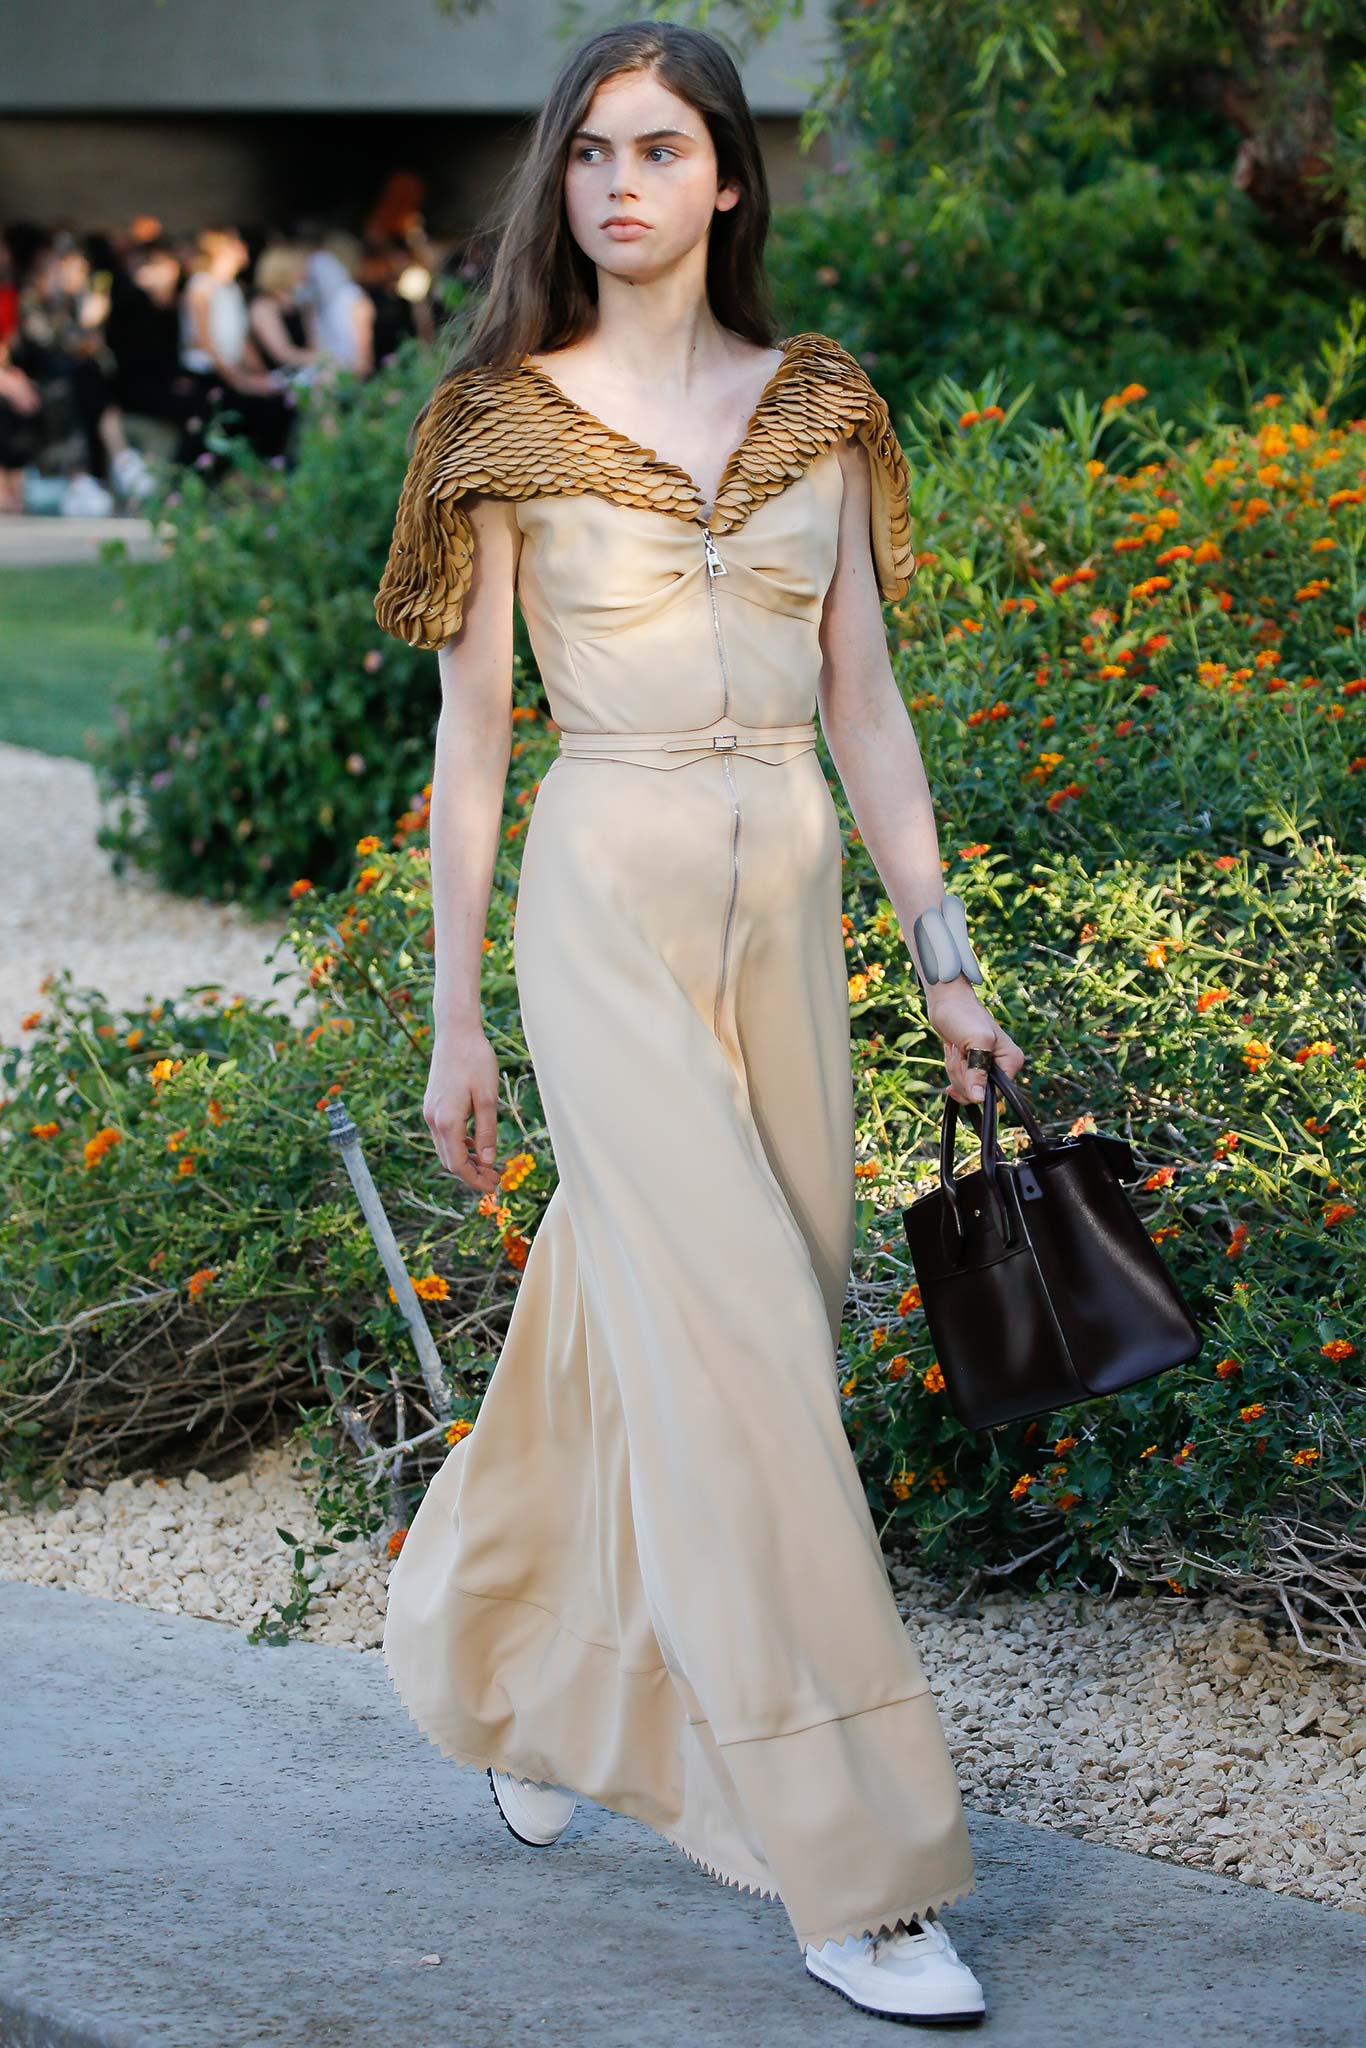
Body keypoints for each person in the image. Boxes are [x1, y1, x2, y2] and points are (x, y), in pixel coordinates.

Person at [372, 19, 1026, 2027]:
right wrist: (455, 1019)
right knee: (742, 1349)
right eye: (588, 153)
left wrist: (943, 957)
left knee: (723, 1314)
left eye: (657, 150)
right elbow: (472, 745)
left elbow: (866, 703)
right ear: (558, 184)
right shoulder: (498, 423)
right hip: (605, 894)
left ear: (728, 176)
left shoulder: (819, 409)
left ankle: (527, 1670)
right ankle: (854, 1865)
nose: (618, 187)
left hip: (788, 892)